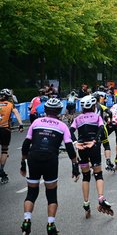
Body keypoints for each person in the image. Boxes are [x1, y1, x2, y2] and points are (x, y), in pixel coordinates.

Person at [20, 98, 79, 235]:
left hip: (33, 158)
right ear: (59, 111)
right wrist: (75, 166)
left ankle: (26, 221)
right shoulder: (62, 125)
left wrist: (23, 162)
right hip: (50, 160)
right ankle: (51, 225)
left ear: (45, 110)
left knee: (31, 193)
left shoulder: (36, 122)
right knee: (51, 195)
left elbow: (25, 144)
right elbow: (70, 147)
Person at [70, 95, 114, 218]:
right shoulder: (96, 117)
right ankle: (101, 197)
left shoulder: (78, 118)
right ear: (94, 106)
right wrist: (94, 140)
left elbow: (70, 131)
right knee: (98, 174)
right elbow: (101, 128)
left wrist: (75, 143)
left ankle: (86, 202)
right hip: (93, 147)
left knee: (85, 176)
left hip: (82, 147)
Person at [0, 89, 24, 184]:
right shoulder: (10, 104)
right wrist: (21, 124)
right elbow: (17, 113)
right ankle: (1, 170)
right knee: (4, 150)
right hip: (5, 129)